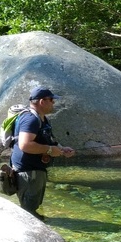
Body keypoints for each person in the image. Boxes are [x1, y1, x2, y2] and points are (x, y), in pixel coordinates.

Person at [10, 86, 75, 219]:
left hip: (36, 170)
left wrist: (62, 149)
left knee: (32, 207)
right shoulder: (31, 119)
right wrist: (50, 150)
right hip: (28, 171)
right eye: (51, 99)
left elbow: (48, 140)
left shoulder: (42, 119)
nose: (54, 102)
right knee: (29, 211)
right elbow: (25, 144)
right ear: (42, 101)